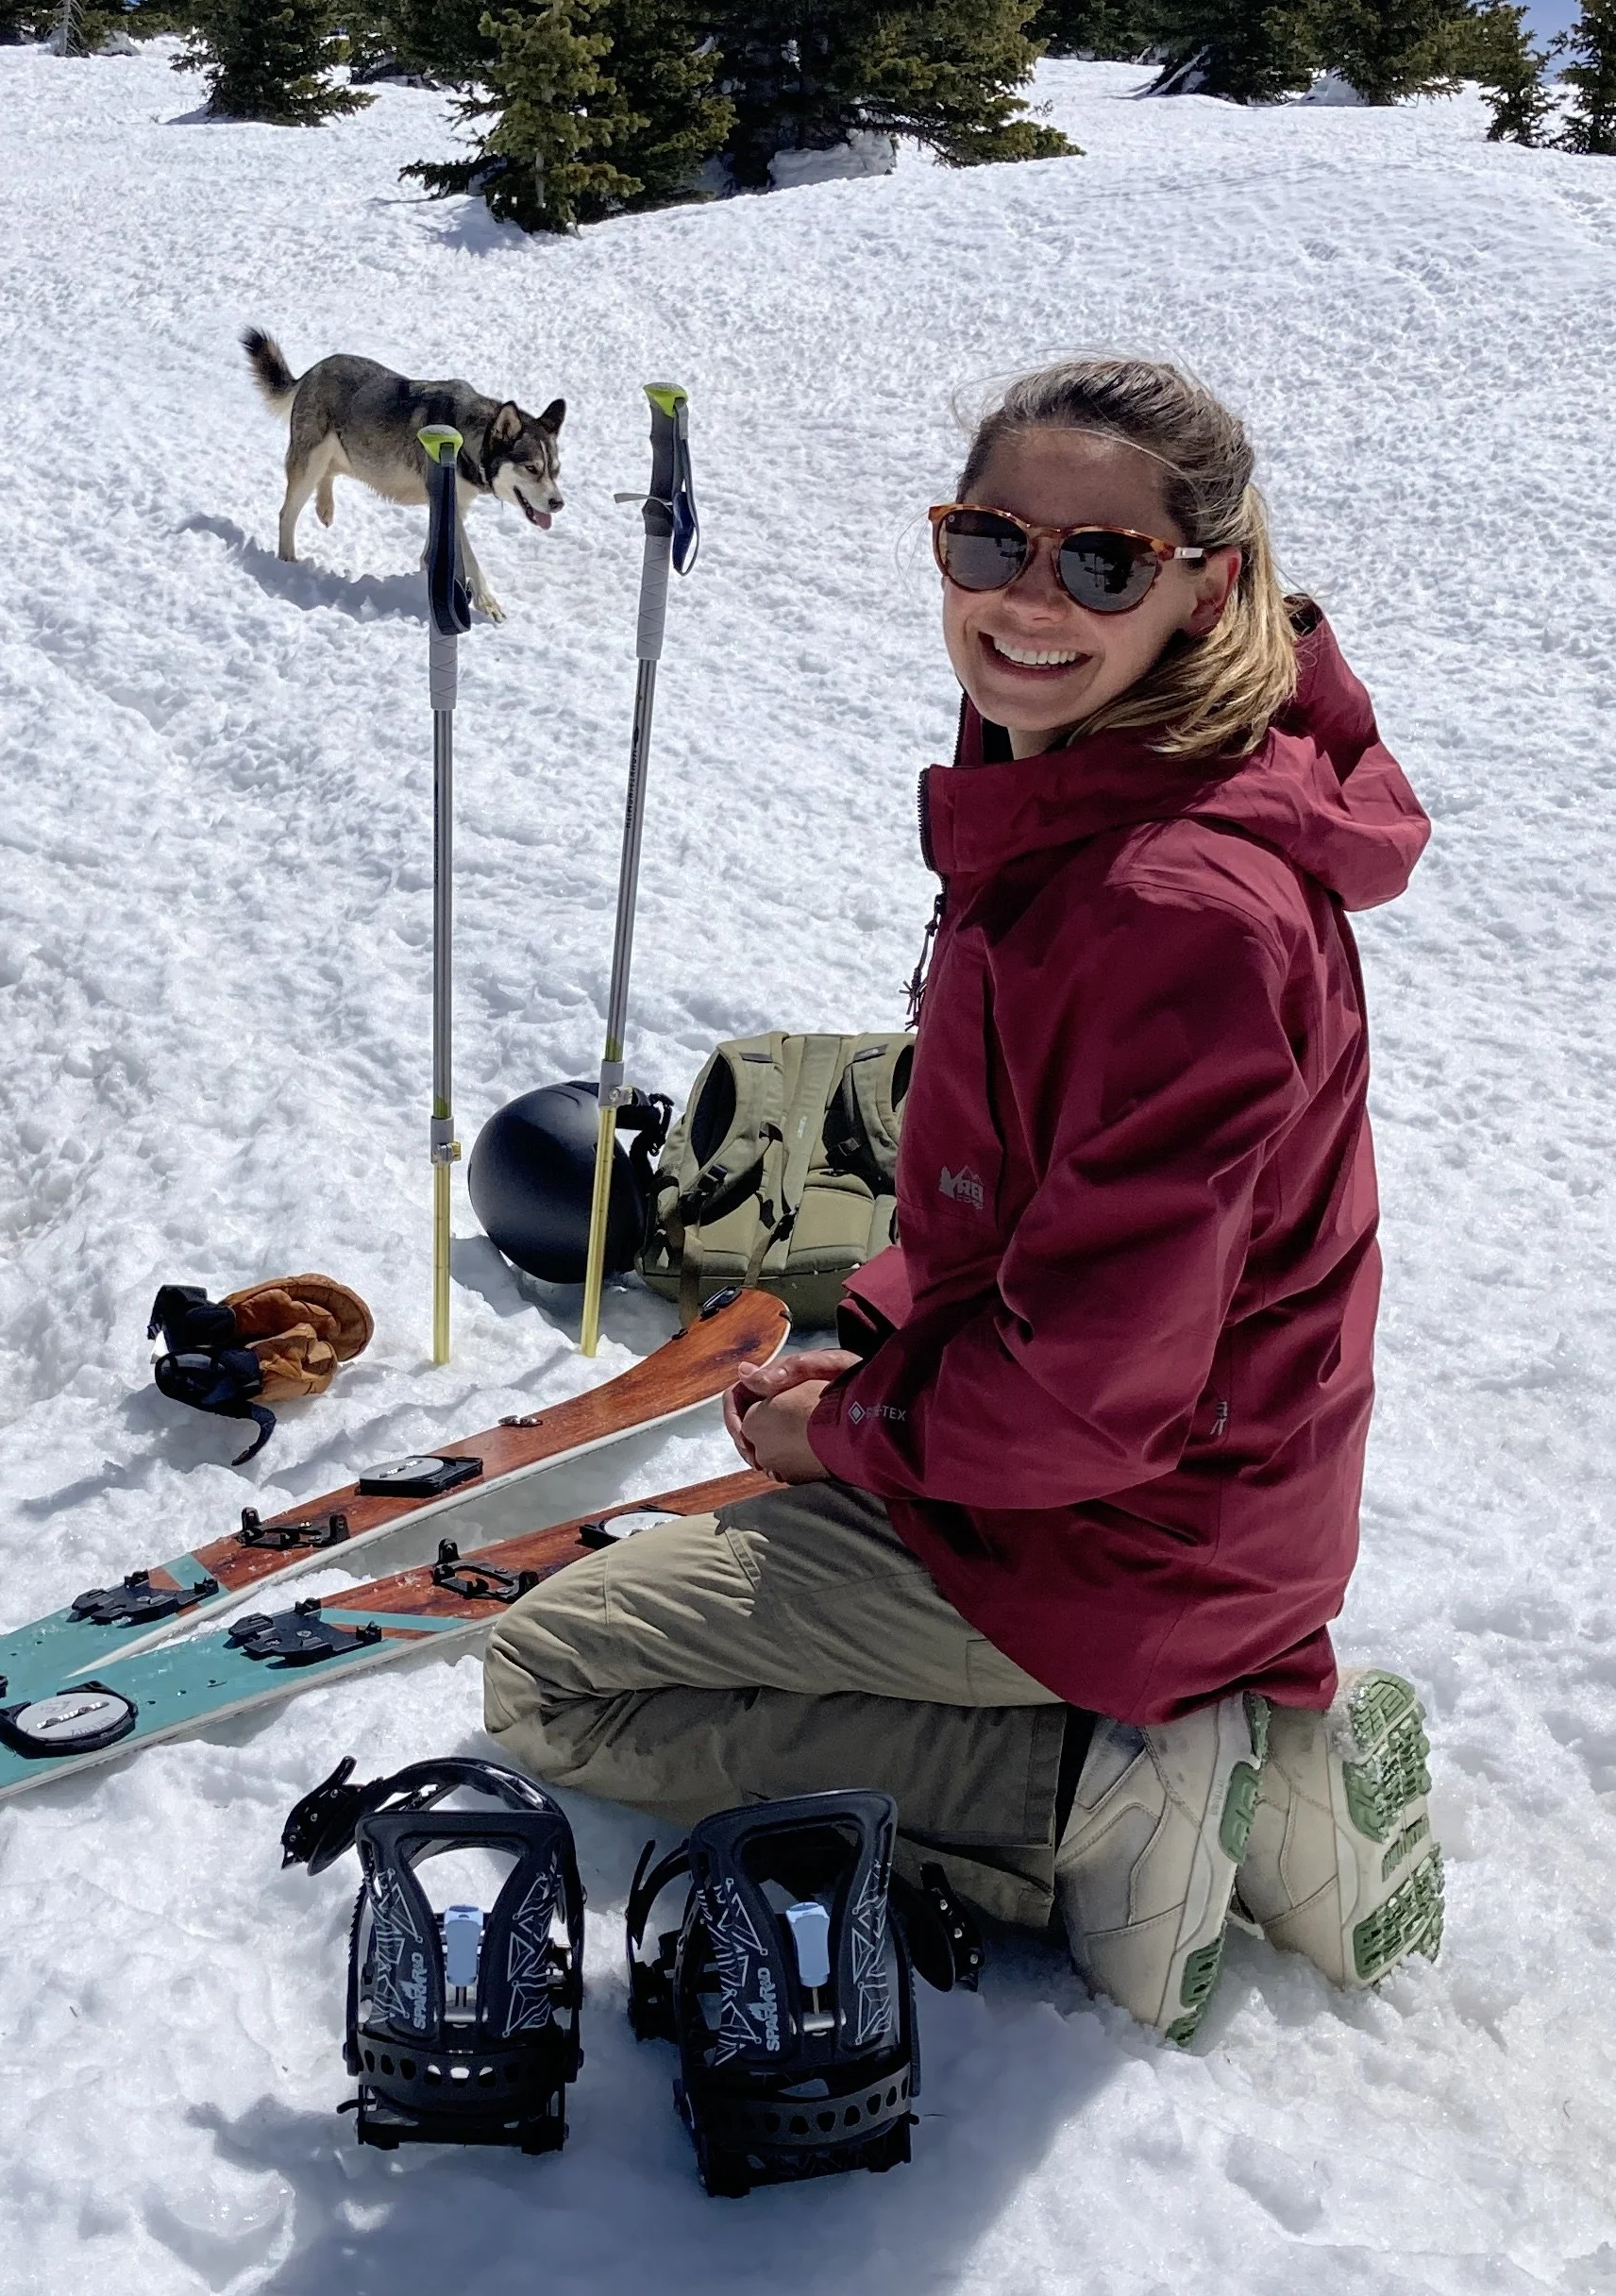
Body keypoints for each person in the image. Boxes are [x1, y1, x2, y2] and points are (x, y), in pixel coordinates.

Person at [484, 355, 1441, 2044]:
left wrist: (842, 1441)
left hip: (1115, 1536)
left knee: (554, 1676)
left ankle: (1089, 1795)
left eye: (1101, 563)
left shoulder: (1174, 901)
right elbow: (1049, 1253)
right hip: (1211, 1516)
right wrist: (874, 1370)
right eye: (991, 542)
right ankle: (1262, 1769)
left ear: (1205, 586)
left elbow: (1087, 1390)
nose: (1027, 603)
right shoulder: (1112, 787)